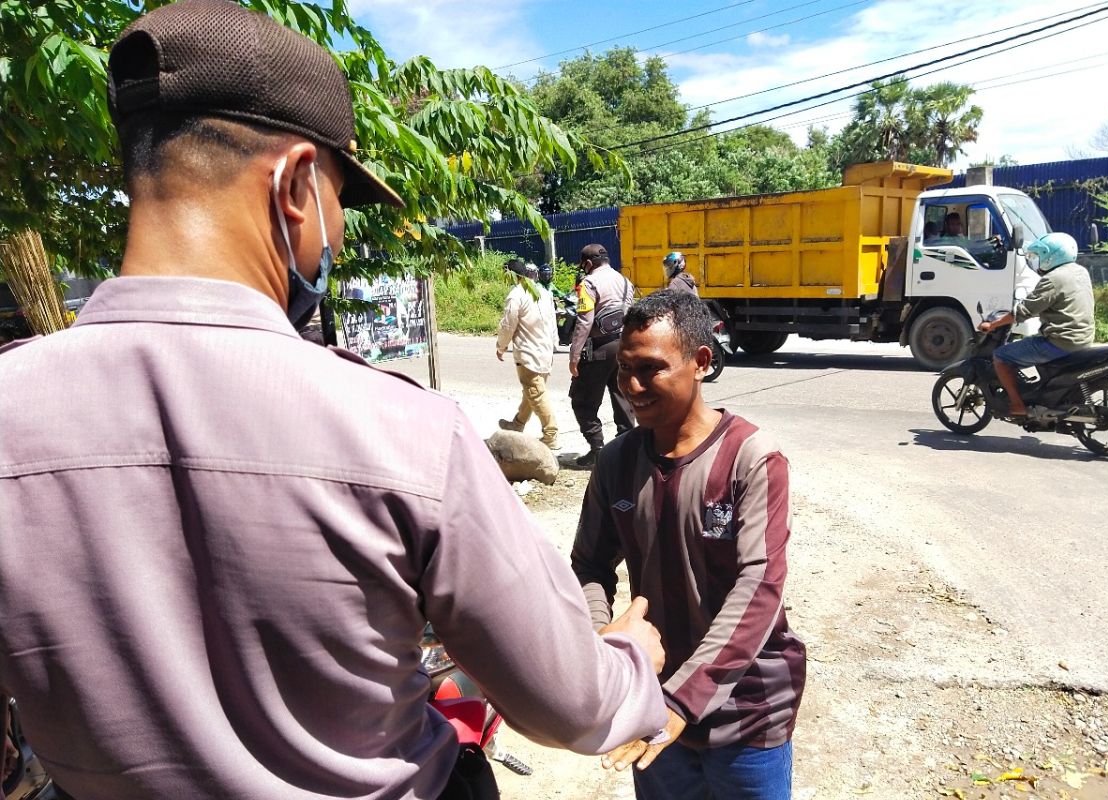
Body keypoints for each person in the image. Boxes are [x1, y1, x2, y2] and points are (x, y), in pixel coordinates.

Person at [0, 3, 669, 799]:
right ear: (292, 186)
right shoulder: (401, 432)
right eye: (340, 204)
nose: (338, 239)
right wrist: (632, 659)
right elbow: (573, 708)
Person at [572, 291, 806, 800]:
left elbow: (760, 585)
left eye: (652, 369)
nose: (632, 386)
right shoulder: (616, 464)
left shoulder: (751, 458)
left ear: (701, 362)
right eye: (624, 369)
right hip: (653, 706)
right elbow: (589, 563)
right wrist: (607, 643)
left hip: (747, 714)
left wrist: (685, 699)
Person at [979, 232, 1095, 418]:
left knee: (1001, 356)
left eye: (1039, 255)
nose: (1037, 260)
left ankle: (1018, 405)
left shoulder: (1054, 279)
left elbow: (1025, 311)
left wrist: (993, 324)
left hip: (1060, 342)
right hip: (1083, 337)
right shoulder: (1080, 271)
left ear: (1051, 256)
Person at [569, 243, 636, 468]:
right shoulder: (625, 282)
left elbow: (584, 321)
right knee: (623, 398)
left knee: (582, 401)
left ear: (588, 264)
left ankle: (597, 450)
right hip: (624, 347)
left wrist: (574, 355)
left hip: (598, 349)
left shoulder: (589, 283)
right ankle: (628, 452)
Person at [497, 259, 560, 450]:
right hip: (545, 350)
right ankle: (517, 424)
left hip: (528, 352)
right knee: (531, 392)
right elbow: (552, 321)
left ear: (510, 274)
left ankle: (551, 435)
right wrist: (554, 343)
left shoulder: (516, 295)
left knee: (536, 393)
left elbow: (508, 325)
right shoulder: (542, 291)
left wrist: (501, 346)